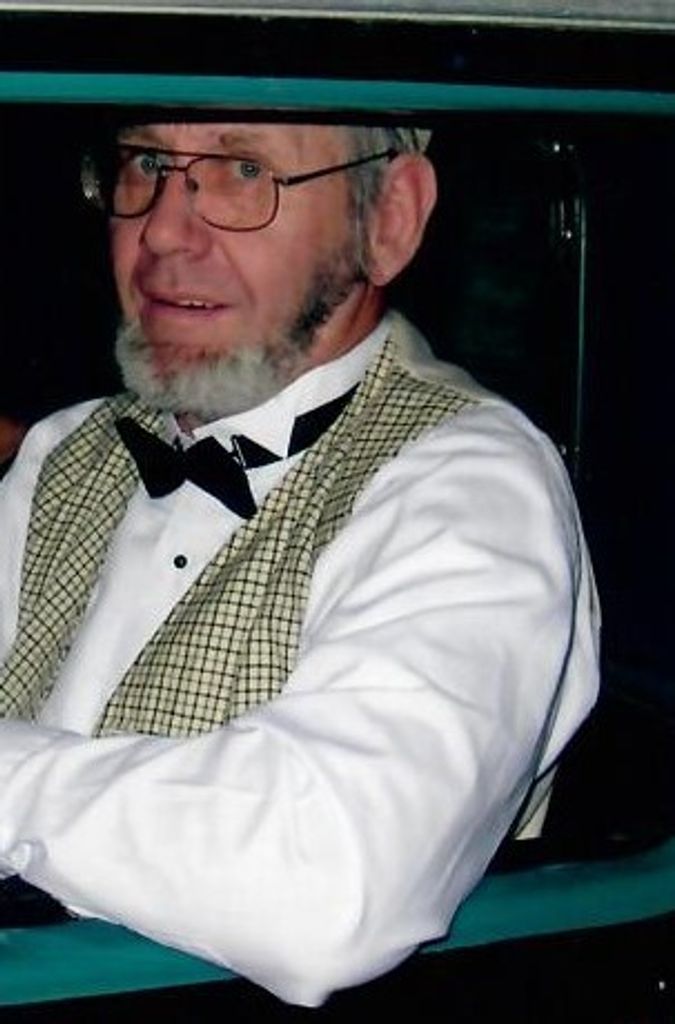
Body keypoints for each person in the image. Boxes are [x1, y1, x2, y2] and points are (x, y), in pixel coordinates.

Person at [0, 119, 599, 1007]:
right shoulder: (69, 447)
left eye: (243, 171)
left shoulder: (471, 481)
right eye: (148, 163)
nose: (163, 231)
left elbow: (327, 885)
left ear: (387, 219)